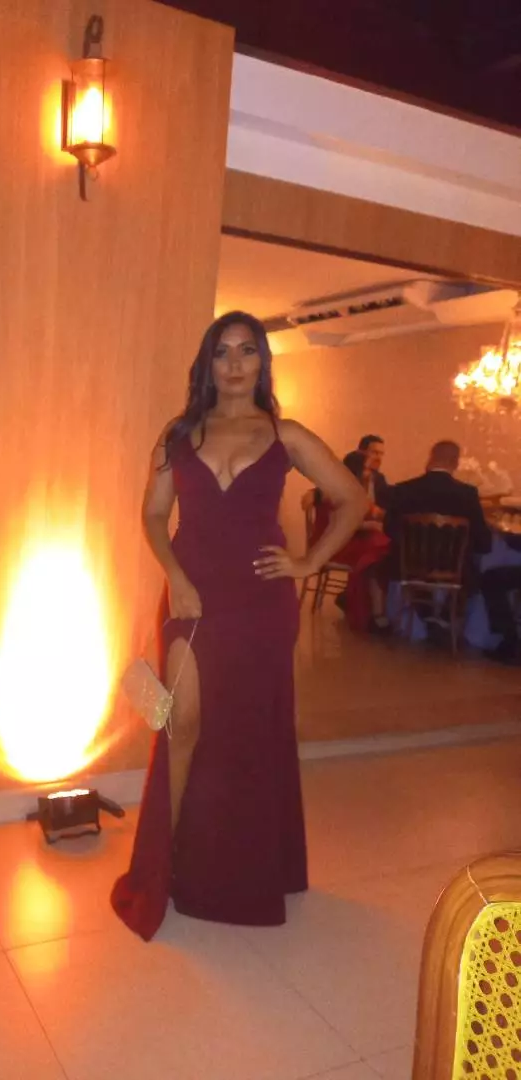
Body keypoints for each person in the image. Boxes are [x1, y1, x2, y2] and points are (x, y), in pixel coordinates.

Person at [111, 311, 367, 941]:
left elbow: (353, 498)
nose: (233, 363)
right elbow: (153, 514)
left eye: (246, 351)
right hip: (191, 594)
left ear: (262, 362)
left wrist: (308, 562)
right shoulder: (179, 434)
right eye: (222, 352)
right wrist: (175, 576)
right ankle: (163, 867)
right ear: (207, 363)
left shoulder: (286, 435)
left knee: (251, 731)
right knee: (182, 724)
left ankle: (243, 869)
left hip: (261, 604)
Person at [313, 450, 392, 633]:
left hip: (350, 538)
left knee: (383, 545)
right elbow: (340, 524)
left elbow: (369, 511)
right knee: (376, 553)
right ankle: (375, 614)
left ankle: (365, 605)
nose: (370, 473)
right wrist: (371, 524)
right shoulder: (336, 490)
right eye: (367, 469)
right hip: (334, 544)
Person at [385, 440, 492, 560]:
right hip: (454, 568)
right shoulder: (468, 494)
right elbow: (484, 543)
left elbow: (389, 529)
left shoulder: (403, 489)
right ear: (455, 463)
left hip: (407, 565)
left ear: (431, 458)